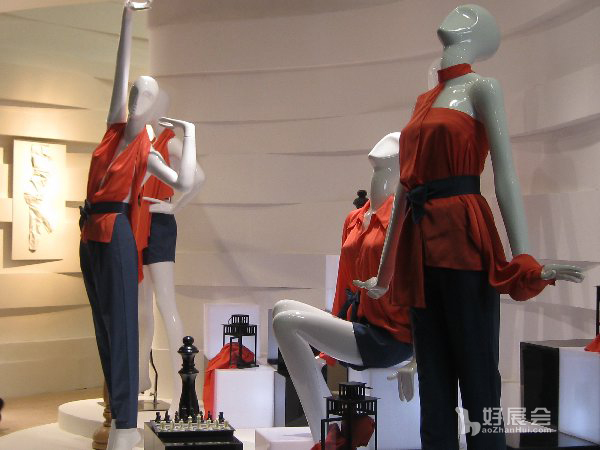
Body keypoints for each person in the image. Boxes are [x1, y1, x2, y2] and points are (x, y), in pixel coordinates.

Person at [354, 5, 584, 449]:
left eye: (471, 13)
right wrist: (384, 273)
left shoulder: (483, 87)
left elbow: (505, 174)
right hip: (420, 250)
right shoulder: (423, 101)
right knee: (434, 381)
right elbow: (405, 187)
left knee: (478, 375)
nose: (458, 12)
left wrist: (525, 259)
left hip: (462, 238)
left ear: (481, 37)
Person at [79, 1, 197, 448]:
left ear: (152, 108)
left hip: (115, 233)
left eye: (144, 96)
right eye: (133, 93)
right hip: (89, 233)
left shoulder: (146, 151)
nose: (134, 99)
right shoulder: (114, 130)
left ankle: (125, 423)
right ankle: (116, 413)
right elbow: (120, 73)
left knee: (125, 325)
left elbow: (184, 182)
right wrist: (128, 17)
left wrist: (190, 135)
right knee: (104, 326)